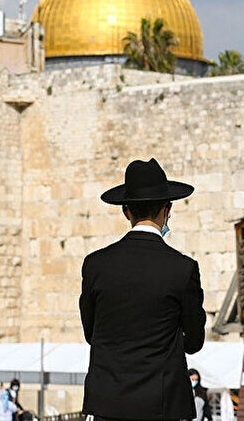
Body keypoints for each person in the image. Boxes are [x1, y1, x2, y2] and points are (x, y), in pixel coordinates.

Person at [80, 158, 206, 421]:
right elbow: (194, 342)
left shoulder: (95, 265)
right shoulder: (182, 269)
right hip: (161, 403)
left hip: (108, 403)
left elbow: (92, 332)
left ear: (126, 211)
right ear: (167, 209)